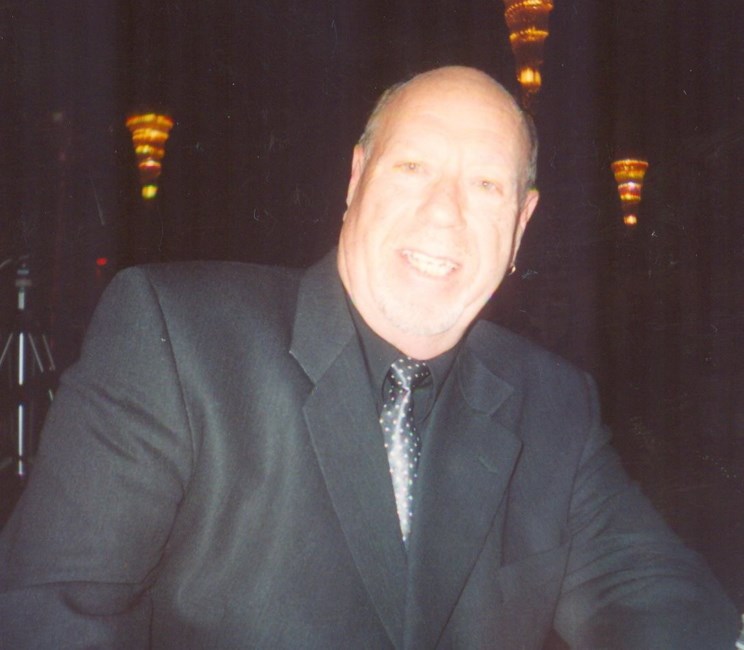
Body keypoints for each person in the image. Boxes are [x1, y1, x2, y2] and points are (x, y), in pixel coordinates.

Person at [0, 66, 739, 649]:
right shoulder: (178, 338)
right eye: (413, 167)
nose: (444, 213)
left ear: (522, 223)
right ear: (356, 179)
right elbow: (49, 616)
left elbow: (656, 599)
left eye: (486, 185)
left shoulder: (555, 403)